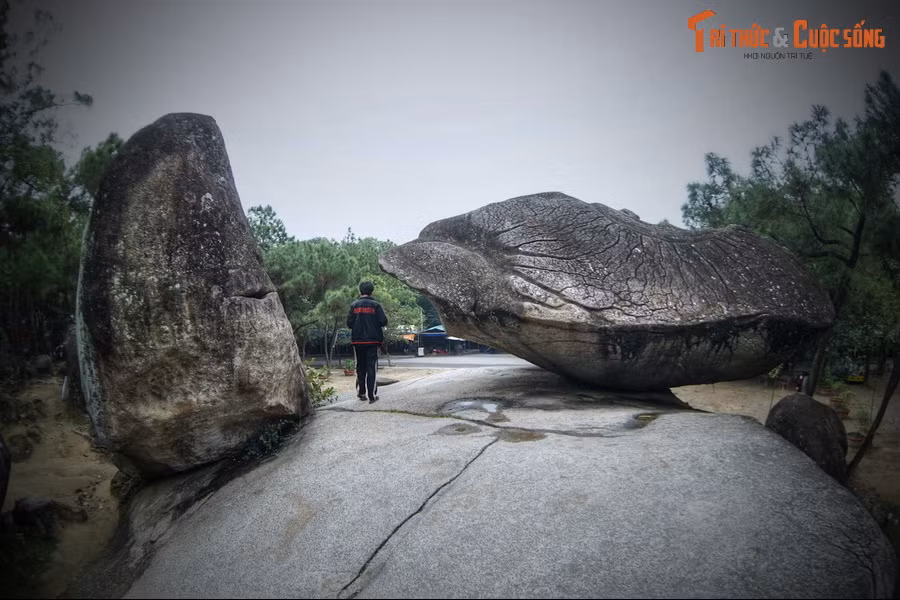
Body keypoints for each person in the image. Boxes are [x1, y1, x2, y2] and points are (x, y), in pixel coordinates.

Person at [346, 281, 388, 403]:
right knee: (371, 367)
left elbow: (349, 323)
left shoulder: (354, 305)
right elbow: (383, 321)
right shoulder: (376, 305)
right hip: (373, 341)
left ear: (360, 291)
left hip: (358, 341)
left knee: (360, 366)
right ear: (372, 291)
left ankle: (361, 392)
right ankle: (372, 395)